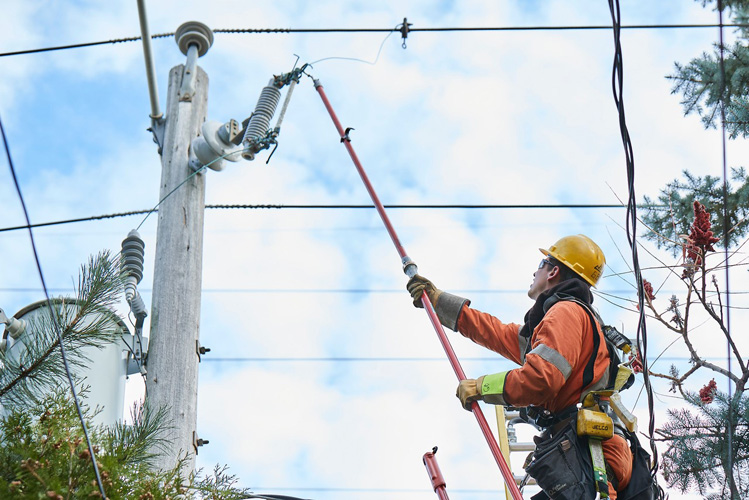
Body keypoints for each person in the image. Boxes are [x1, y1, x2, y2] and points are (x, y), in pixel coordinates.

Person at [407, 234, 633, 499]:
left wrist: (482, 387)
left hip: (590, 461)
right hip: (588, 458)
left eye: (542, 263)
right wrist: (438, 301)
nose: (535, 271)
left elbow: (542, 378)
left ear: (554, 271)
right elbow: (497, 332)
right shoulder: (572, 319)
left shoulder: (565, 313)